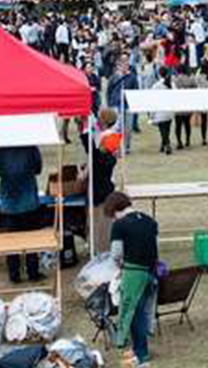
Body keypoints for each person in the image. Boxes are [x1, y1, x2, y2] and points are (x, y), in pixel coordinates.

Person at [105, 192, 158, 366]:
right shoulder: (150, 221)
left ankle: (141, 355)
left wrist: (120, 267)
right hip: (151, 273)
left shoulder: (119, 225)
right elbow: (154, 247)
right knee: (144, 312)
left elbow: (116, 254)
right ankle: (138, 350)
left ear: (114, 210)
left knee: (133, 314)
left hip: (134, 274)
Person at [0, 144, 45, 283]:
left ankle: (14, 274)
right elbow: (38, 169)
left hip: (9, 202)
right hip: (29, 200)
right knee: (31, 240)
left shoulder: (0, 150)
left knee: (12, 242)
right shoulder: (31, 147)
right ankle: (33, 272)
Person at [83, 127, 118, 256]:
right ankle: (102, 249)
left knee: (98, 225)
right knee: (104, 226)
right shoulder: (109, 159)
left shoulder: (98, 157)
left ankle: (99, 250)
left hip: (98, 195)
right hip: (105, 194)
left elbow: (89, 147)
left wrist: (86, 130)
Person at [151, 69, 174, 155]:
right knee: (167, 129)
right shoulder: (172, 84)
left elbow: (152, 100)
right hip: (170, 110)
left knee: (163, 130)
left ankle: (167, 145)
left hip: (160, 111)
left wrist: (152, 114)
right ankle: (163, 145)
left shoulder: (156, 86)